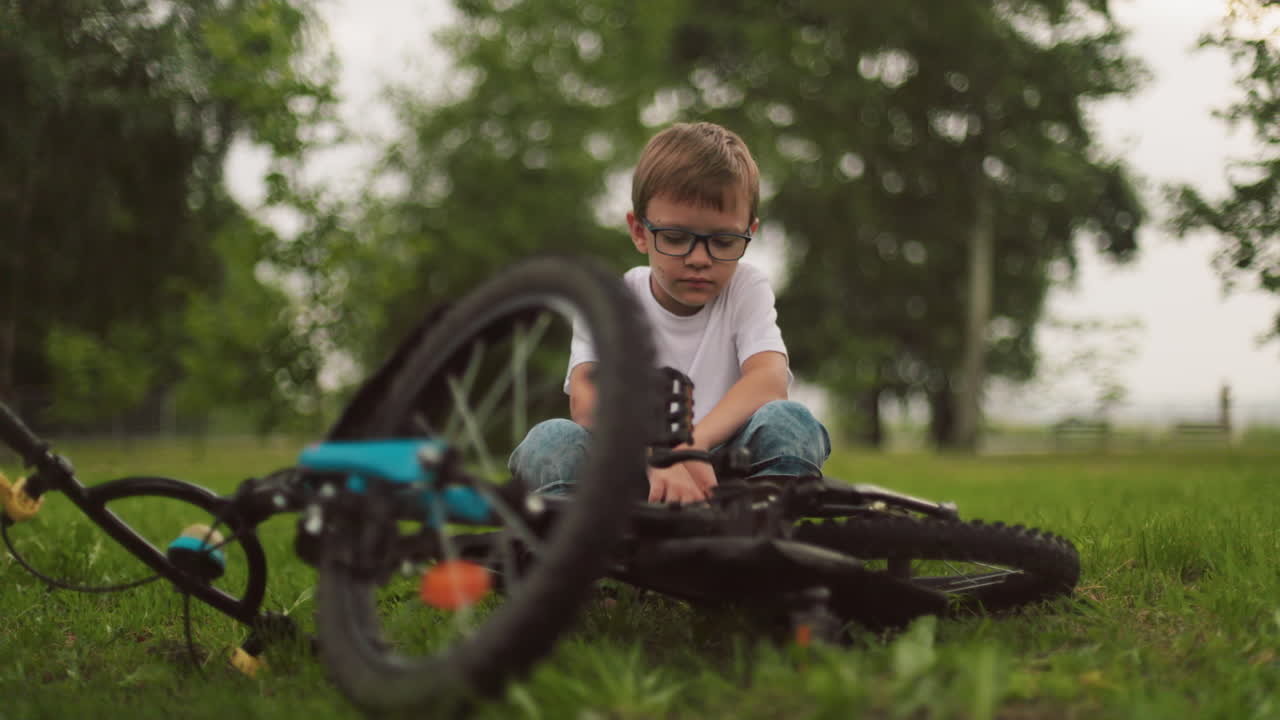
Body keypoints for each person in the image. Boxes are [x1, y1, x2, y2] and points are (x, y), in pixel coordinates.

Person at [508, 121, 830, 504]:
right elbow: (588, 398)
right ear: (640, 231)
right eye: (676, 238)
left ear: (750, 232)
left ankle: (765, 536)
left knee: (790, 421)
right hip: (628, 466)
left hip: (725, 471)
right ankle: (579, 551)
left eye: (724, 241)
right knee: (551, 440)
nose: (699, 259)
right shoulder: (612, 299)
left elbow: (768, 381)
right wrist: (655, 455)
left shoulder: (746, 287)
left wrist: (688, 448)